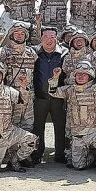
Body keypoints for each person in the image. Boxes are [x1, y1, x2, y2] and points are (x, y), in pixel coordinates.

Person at [48, 60, 96, 171]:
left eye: (84, 74)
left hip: (95, 132)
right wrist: (55, 78)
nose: (80, 76)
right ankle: (93, 157)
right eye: (78, 74)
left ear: (90, 76)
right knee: (78, 166)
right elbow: (53, 92)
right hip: (78, 134)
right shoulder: (70, 90)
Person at [32, 26, 68, 164]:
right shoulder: (34, 53)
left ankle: (60, 154)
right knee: (38, 127)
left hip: (58, 97)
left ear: (57, 38)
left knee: (60, 126)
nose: (49, 40)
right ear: (41, 38)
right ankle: (37, 154)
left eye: (52, 37)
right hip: (40, 97)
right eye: (46, 37)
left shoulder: (64, 53)